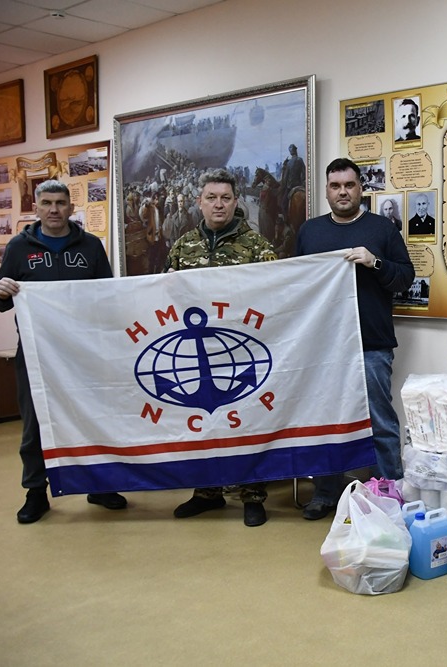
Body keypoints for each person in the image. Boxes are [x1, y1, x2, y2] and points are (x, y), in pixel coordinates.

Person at [0, 180, 127, 523]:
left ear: (71, 207)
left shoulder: (91, 246)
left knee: (92, 414)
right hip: (37, 352)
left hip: (84, 350)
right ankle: (36, 491)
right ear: (36, 207)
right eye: (47, 203)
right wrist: (2, 291)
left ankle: (99, 484)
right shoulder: (19, 247)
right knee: (35, 422)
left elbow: (106, 297)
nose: (54, 209)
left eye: (61, 203)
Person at [295, 158, 414, 520]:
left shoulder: (382, 229)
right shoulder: (310, 232)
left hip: (371, 344)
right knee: (325, 419)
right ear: (327, 190)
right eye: (335, 186)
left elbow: (405, 279)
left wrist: (375, 262)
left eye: (349, 185)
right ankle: (325, 491)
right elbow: (296, 284)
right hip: (324, 346)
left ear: (361, 188)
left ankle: (387, 491)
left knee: (379, 420)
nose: (342, 192)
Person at [166, 168, 279, 527]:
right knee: (203, 425)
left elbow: (278, 294)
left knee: (246, 421)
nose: (219, 204)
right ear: (199, 202)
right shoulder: (183, 247)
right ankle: (207, 493)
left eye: (226, 198)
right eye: (211, 197)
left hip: (240, 349)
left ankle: (252, 494)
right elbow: (164, 298)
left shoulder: (257, 247)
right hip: (195, 352)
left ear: (235, 201)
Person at [279, 143, 306, 215]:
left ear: (291, 152)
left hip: (290, 186)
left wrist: (283, 185)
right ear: (296, 150)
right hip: (300, 185)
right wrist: (303, 183)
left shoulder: (289, 163)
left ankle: (285, 219)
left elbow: (285, 177)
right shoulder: (300, 160)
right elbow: (304, 173)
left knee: (284, 204)